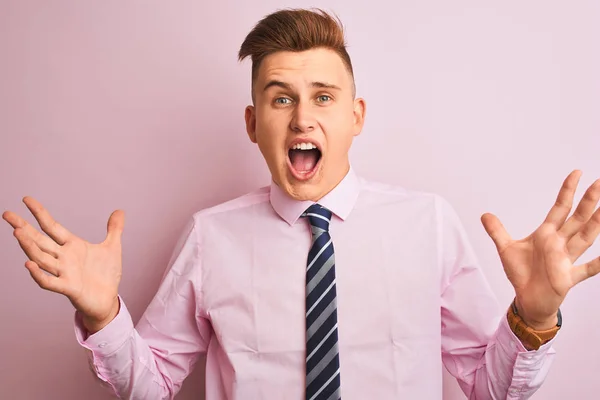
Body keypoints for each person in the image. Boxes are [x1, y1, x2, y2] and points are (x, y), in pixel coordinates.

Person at [3, 8, 600, 400]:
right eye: (280, 99)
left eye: (322, 96)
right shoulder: (211, 237)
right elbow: (153, 384)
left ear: (355, 116)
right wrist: (104, 316)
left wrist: (535, 317)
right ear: (253, 122)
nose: (303, 117)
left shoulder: (429, 224)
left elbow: (493, 390)